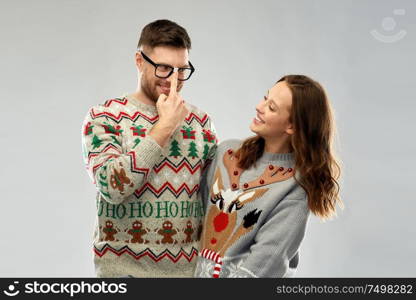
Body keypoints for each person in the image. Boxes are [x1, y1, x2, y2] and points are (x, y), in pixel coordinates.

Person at [81, 19, 217, 277]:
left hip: (189, 275)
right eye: (164, 68)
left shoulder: (200, 122)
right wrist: (164, 127)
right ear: (139, 61)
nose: (173, 80)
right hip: (122, 275)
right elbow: (112, 186)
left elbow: (214, 199)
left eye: (181, 70)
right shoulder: (105, 117)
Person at [194, 75, 341, 278]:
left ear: (292, 126)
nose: (259, 106)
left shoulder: (295, 188)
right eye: (265, 98)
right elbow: (193, 219)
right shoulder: (225, 153)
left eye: (271, 107)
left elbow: (263, 265)